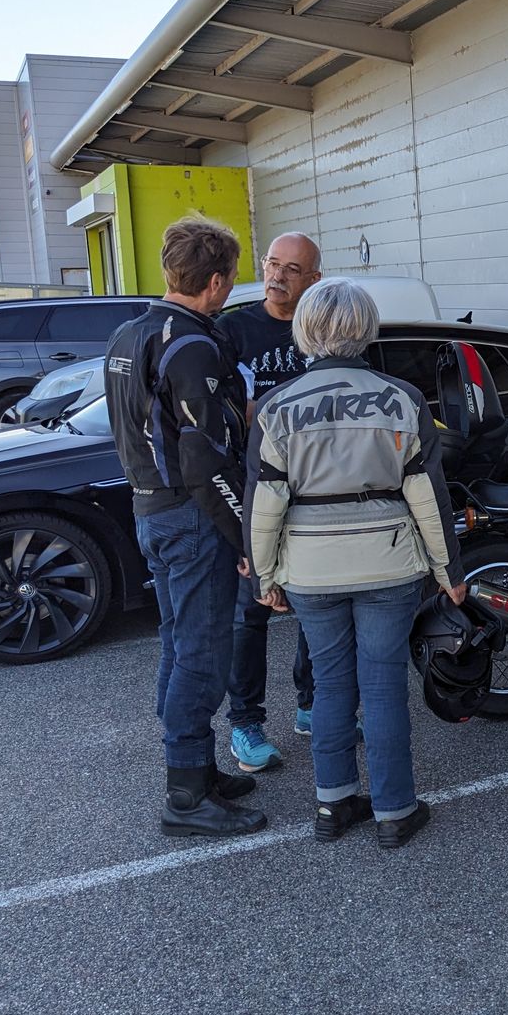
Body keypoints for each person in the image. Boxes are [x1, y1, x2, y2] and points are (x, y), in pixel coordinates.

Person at [245, 277, 466, 849]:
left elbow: (265, 503)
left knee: (330, 684)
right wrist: (450, 572)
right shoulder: (403, 399)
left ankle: (333, 803)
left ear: (304, 331)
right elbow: (427, 495)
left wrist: (264, 577)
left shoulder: (275, 407)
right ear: (367, 329)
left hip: (310, 571)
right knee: (384, 685)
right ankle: (395, 811)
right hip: (388, 564)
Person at [104, 216, 265, 838]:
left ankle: (196, 768)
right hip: (190, 515)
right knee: (202, 651)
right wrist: (244, 536)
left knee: (178, 642)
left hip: (150, 507)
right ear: (217, 281)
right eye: (232, 278)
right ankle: (186, 795)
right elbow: (205, 459)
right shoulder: (193, 344)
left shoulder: (129, 332)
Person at [216, 232, 323, 771]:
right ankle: (246, 723)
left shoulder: (323, 327)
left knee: (316, 607)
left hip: (317, 492)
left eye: (292, 269)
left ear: (314, 280)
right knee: (250, 612)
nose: (277, 276)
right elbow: (217, 411)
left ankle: (312, 707)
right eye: (272, 264)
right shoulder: (233, 330)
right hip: (254, 490)